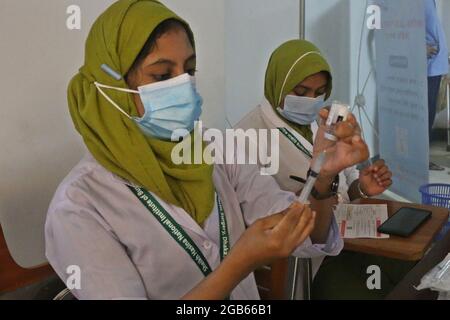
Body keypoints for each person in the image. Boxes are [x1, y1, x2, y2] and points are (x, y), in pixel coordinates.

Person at [45, 0, 368, 300]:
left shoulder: (218, 151)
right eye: (161, 75)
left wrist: (322, 176)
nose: (182, 85)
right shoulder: (80, 206)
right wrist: (239, 264)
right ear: (109, 86)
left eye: (189, 71)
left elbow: (301, 236)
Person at [235, 40, 393, 299]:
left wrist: (362, 186)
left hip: (345, 243)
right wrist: (316, 186)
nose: (311, 101)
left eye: (319, 92)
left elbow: (345, 185)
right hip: (302, 264)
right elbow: (267, 223)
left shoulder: (320, 123)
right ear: (278, 85)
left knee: (407, 271)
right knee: (378, 290)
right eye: (301, 91)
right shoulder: (246, 138)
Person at [426, 0, 449, 171]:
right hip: (426, 66)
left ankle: (423, 157)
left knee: (430, 113)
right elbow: (403, 24)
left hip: (435, 65)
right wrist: (419, 46)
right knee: (424, 115)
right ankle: (420, 159)